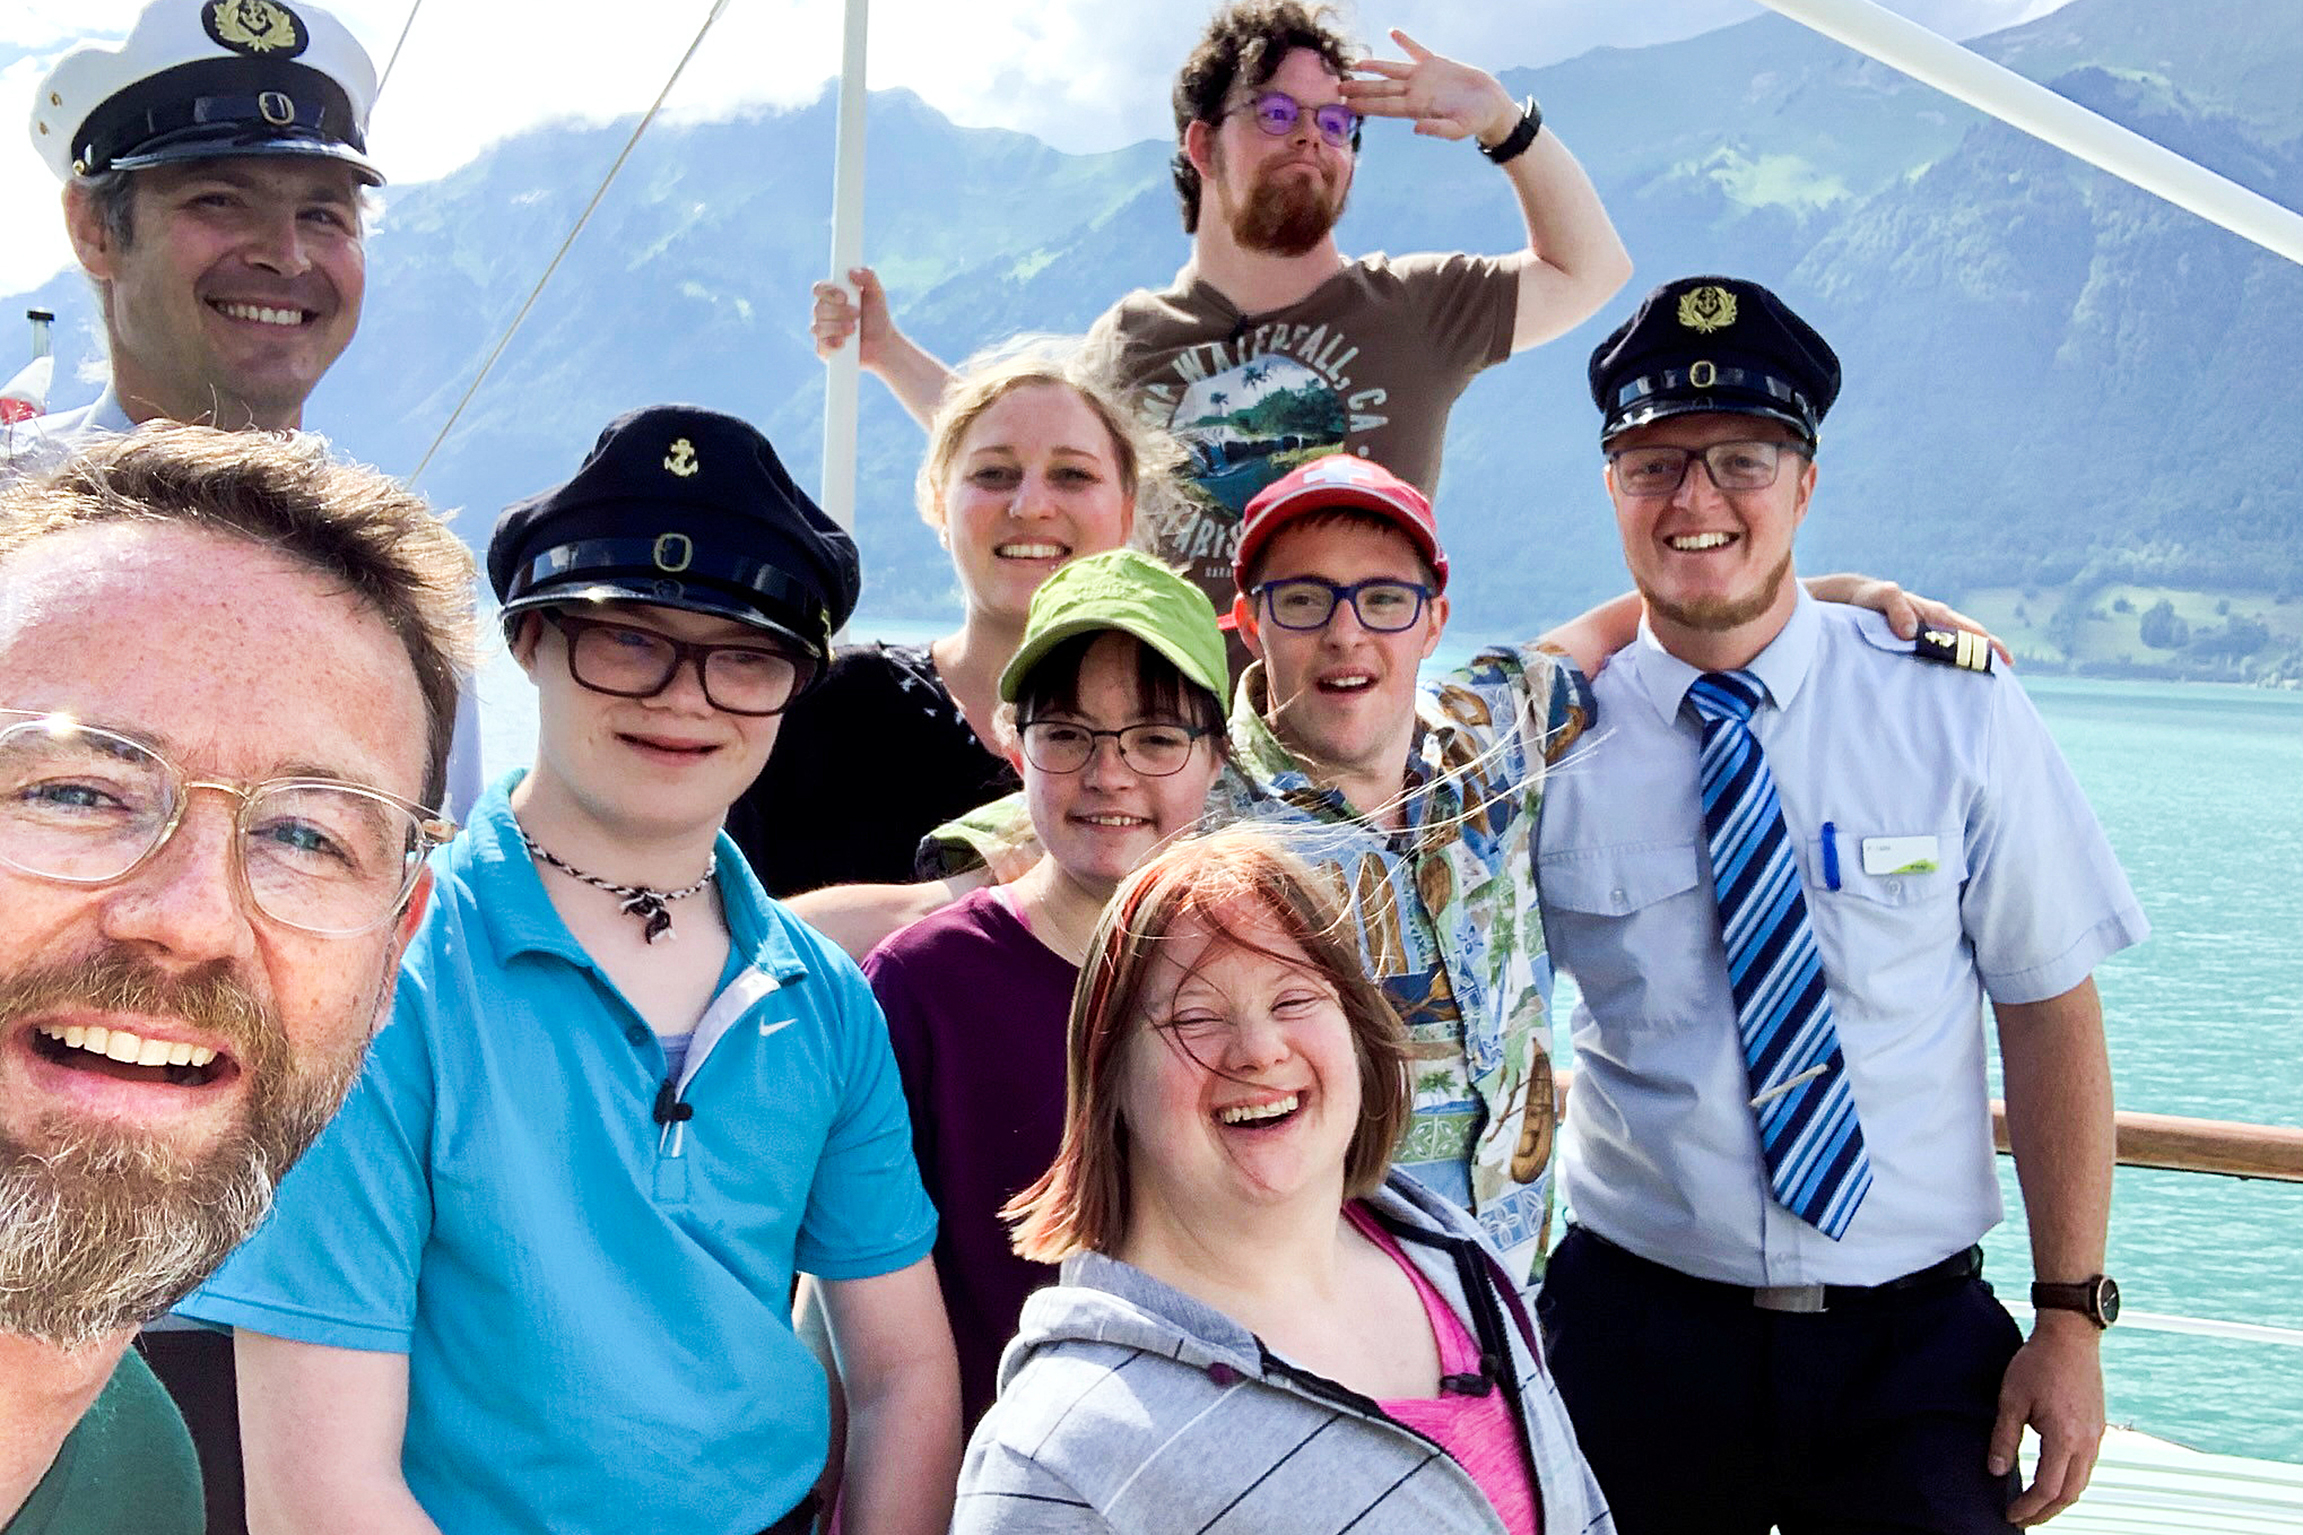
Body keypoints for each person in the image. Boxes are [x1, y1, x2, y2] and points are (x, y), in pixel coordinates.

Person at [180, 406, 961, 1535]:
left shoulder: (825, 999)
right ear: (530, 640)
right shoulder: (378, 976)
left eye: (744, 656)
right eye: (628, 637)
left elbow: (902, 1376)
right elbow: (321, 1495)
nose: (683, 694)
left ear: (796, 686)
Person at [1534, 276, 2147, 1533]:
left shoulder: (1953, 707)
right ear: (1609, 487)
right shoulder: (1547, 743)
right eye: (1653, 464)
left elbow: (2046, 1007)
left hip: (1911, 1357)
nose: (1695, 498)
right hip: (1630, 1342)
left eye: (1741, 459)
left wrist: (2070, 1316)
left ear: (1804, 483)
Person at [0, 425, 474, 1534]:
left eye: (308, 837)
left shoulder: (138, 1476)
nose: (193, 919)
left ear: (393, 946)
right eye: (75, 790)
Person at [810, 0, 1631, 627]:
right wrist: (883, 351)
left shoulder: (1416, 308)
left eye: (1336, 122)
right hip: (1166, 738)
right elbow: (1014, 450)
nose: (1311, 137)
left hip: (1345, 735)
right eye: (1276, 113)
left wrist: (1501, 121)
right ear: (1201, 148)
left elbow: (1592, 269)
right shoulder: (1133, 338)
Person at [953, 827, 1613, 1534]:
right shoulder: (1054, 1459)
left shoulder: (1455, 1260)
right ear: (1108, 1078)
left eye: (1294, 999)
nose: (1260, 1051)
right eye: (1194, 1017)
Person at [864, 548, 1232, 1431]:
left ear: (1218, 757)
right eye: (1066, 733)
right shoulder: (921, 985)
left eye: (1155, 737)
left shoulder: (1262, 983)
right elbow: (847, 1293)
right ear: (1010, 738)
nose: (1108, 773)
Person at [726, 350, 1173, 898]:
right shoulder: (829, 708)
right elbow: (735, 936)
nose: (1031, 504)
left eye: (1073, 474)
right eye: (995, 474)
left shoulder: (1178, 748)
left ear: (1127, 512)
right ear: (939, 505)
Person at [8, 0, 380, 470]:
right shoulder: (14, 514)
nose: (287, 255)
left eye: (321, 215)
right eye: (220, 201)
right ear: (94, 229)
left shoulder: (388, 541)